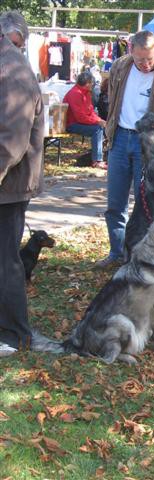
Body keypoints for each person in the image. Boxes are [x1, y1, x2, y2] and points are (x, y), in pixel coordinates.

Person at [95, 30, 154, 269]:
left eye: (150, 58)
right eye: (140, 59)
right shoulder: (120, 67)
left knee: (147, 203)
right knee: (115, 202)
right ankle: (117, 253)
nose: (145, 64)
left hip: (148, 142)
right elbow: (112, 99)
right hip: (120, 138)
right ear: (131, 51)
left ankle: (141, 257)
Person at [0, 12, 43, 356]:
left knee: (6, 260)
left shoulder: (11, 69)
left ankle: (15, 334)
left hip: (8, 183)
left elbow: (12, 141)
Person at [63, 71, 107, 169]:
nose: (93, 85)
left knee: (101, 127)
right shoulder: (75, 94)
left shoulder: (85, 93)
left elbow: (90, 112)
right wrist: (97, 121)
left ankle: (100, 156)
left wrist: (100, 120)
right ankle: (97, 160)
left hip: (80, 122)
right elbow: (80, 117)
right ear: (87, 83)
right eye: (92, 83)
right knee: (97, 129)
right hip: (72, 124)